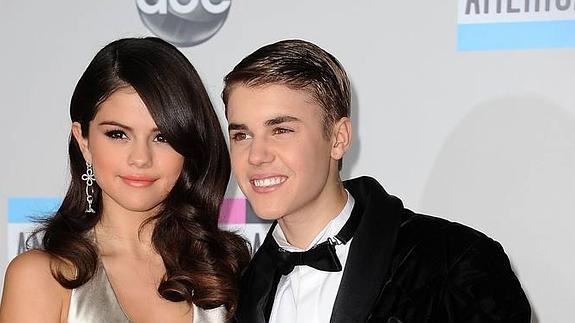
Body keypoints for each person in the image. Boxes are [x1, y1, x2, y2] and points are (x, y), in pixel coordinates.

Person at [221, 39, 531, 323]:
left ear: (338, 138)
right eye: (242, 135)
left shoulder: (454, 262)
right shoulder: (233, 293)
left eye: (281, 130)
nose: (256, 156)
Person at [0, 37, 250, 323]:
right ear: (84, 141)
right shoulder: (43, 277)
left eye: (162, 137)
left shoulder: (226, 272)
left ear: (188, 147)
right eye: (118, 134)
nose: (140, 158)